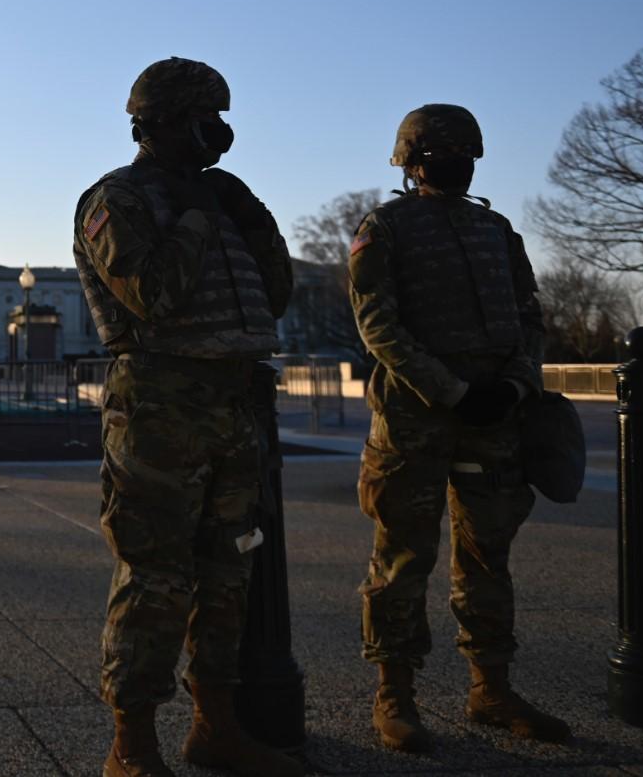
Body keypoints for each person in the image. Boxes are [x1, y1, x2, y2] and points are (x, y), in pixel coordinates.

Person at [73, 57, 300, 777]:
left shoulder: (220, 197)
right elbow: (151, 294)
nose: (220, 132)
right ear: (164, 121)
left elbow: (276, 292)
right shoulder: (117, 198)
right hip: (160, 405)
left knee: (229, 569)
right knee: (154, 576)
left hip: (232, 402)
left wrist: (247, 215)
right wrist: (200, 215)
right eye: (208, 116)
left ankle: (215, 726)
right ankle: (131, 744)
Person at [349, 104, 571, 753]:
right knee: (401, 558)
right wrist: (451, 390)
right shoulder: (382, 228)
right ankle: (395, 695)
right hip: (414, 420)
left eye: (463, 151)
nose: (454, 162)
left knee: (487, 557)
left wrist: (515, 383)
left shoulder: (497, 231)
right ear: (412, 161)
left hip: (494, 418)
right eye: (440, 152)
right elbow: (378, 325)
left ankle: (491, 688)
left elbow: (529, 317)